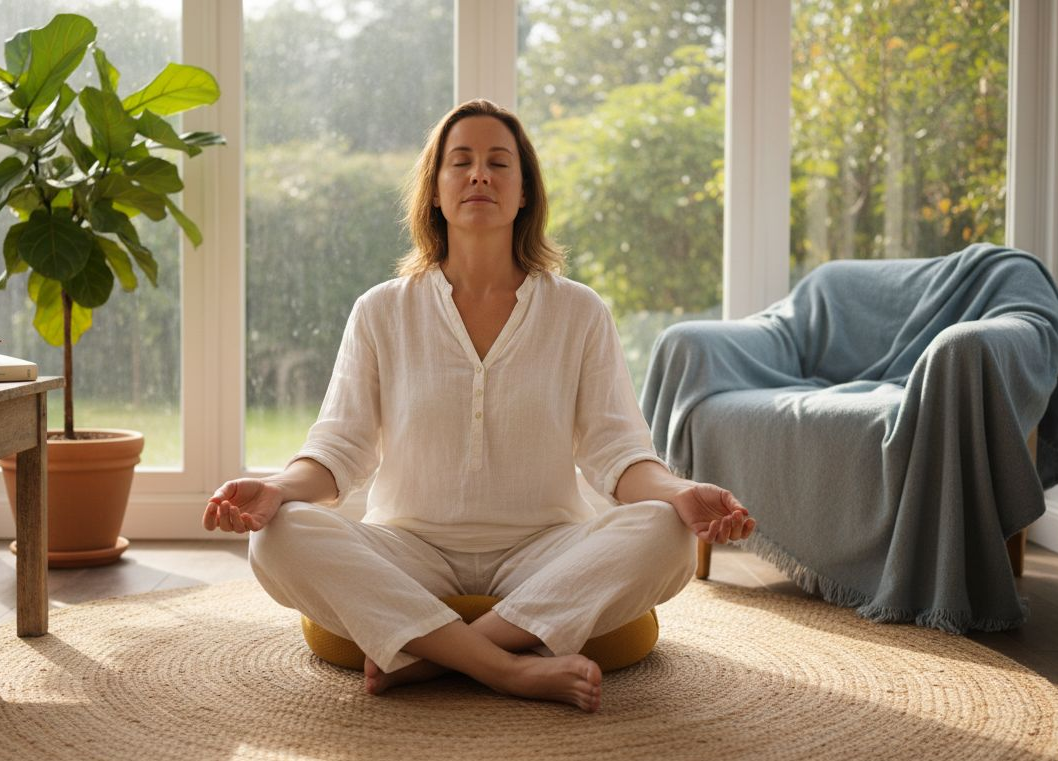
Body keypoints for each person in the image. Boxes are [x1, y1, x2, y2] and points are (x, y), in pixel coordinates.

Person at [203, 99, 754, 713]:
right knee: (277, 538)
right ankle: (505, 667)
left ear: (524, 193)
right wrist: (277, 489)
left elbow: (618, 456)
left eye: (500, 163)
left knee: (666, 533)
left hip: (545, 552)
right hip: (410, 551)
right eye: (460, 162)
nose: (479, 175)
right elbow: (339, 452)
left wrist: (677, 492)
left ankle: (427, 656)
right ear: (435, 191)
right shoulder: (382, 310)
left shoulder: (579, 311)